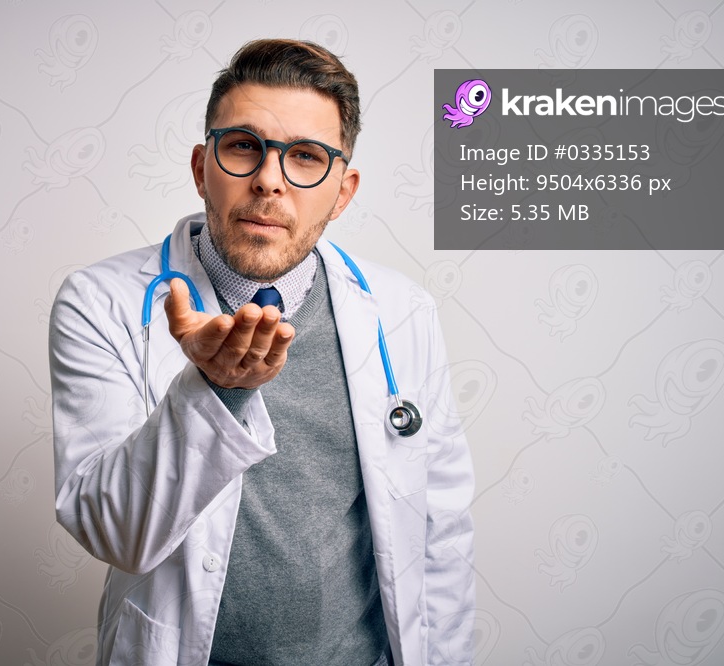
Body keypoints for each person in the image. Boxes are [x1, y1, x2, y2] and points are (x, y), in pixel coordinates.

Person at [50, 39, 475, 666]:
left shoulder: (402, 311)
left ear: (343, 192)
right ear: (202, 168)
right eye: (244, 146)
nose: (270, 180)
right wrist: (214, 389)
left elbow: (441, 531)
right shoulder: (99, 301)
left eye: (306, 156)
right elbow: (113, 531)